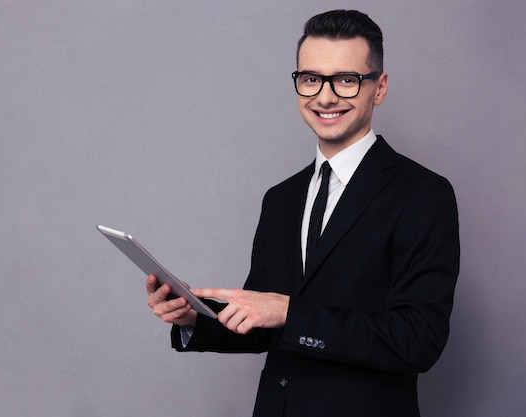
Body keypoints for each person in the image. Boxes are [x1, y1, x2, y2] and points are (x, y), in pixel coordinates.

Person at [146, 9, 459, 417]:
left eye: (346, 80)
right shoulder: (281, 198)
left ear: (379, 88)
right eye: (311, 79)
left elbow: (417, 341)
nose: (325, 97)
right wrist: (192, 318)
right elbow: (265, 323)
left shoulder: (422, 194)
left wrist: (289, 312)